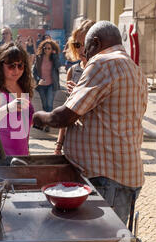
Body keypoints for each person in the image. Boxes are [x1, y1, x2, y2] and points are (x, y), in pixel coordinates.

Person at [33, 21, 148, 225]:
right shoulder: (134, 68)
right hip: (126, 175)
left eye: (86, 49)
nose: (85, 55)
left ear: (95, 43)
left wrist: (37, 117)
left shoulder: (102, 63)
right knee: (111, 241)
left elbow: (64, 117)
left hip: (107, 179)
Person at [0, 42, 35, 157]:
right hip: (0, 157)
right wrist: (8, 108)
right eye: (11, 66)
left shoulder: (23, 86)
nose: (16, 70)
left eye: (20, 65)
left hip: (21, 155)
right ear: (0, 65)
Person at [55, 19, 95, 155]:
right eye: (78, 44)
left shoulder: (101, 70)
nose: (81, 49)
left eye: (86, 44)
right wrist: (58, 145)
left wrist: (81, 92)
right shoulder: (72, 71)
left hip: (94, 142)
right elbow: (67, 110)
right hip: (73, 142)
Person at [32, 39, 61, 131]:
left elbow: (58, 66)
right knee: (44, 105)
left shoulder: (54, 58)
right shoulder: (39, 57)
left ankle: (47, 124)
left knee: (49, 105)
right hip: (41, 85)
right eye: (45, 48)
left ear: (52, 49)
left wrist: (55, 55)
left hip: (51, 85)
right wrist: (38, 79)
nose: (47, 50)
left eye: (49, 48)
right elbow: (34, 71)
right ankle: (45, 121)